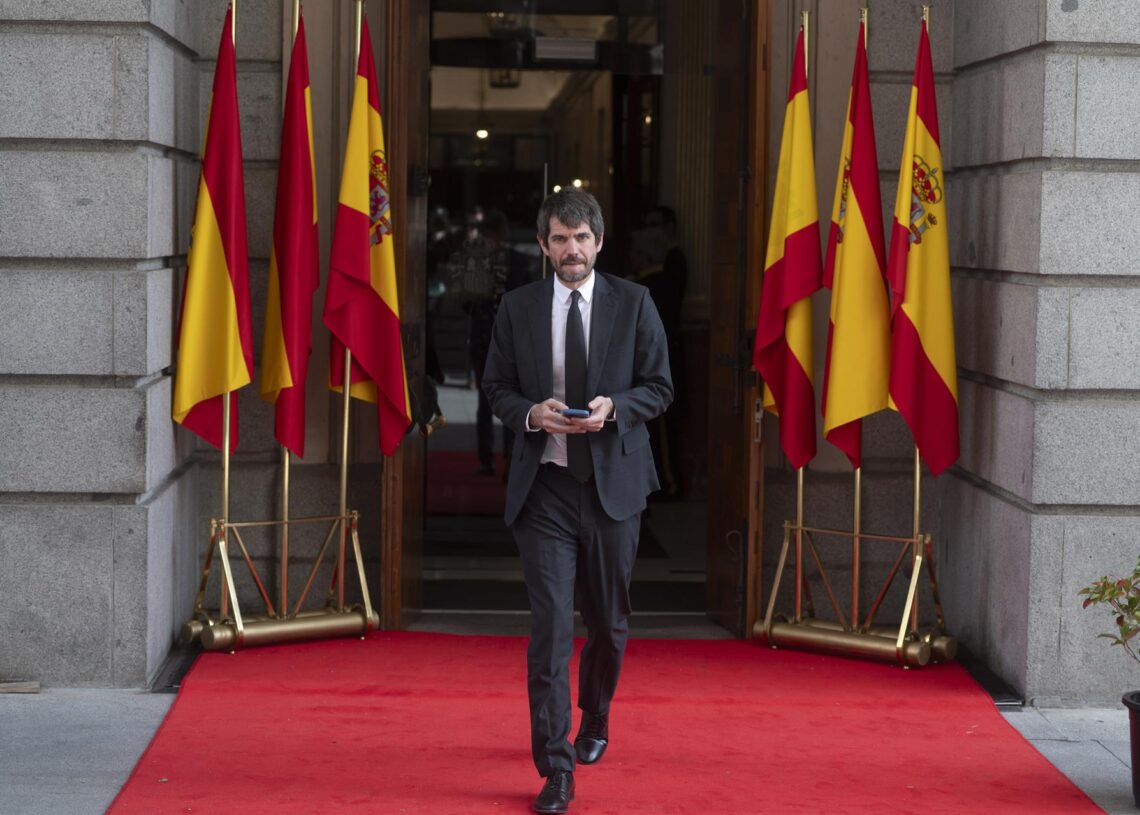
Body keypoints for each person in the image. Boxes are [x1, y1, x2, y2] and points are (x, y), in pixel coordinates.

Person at [482, 189, 673, 813]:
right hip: (546, 489)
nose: (572, 250)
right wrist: (531, 416)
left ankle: (596, 714)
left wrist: (615, 409)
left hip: (615, 487)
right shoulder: (518, 307)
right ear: (543, 245)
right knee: (551, 629)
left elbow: (661, 388)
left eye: (582, 238)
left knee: (610, 627)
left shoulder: (635, 301)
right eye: (560, 239)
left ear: (599, 242)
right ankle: (556, 766)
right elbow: (496, 388)